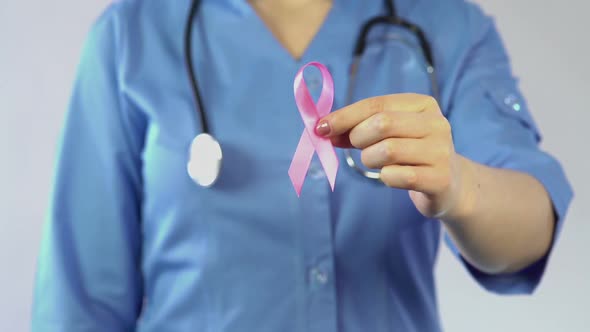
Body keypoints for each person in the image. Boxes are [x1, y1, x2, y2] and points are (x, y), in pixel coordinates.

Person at [32, 0, 573, 331]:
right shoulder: (131, 38)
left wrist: (460, 188)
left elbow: (531, 230)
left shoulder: (448, 28)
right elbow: (79, 307)